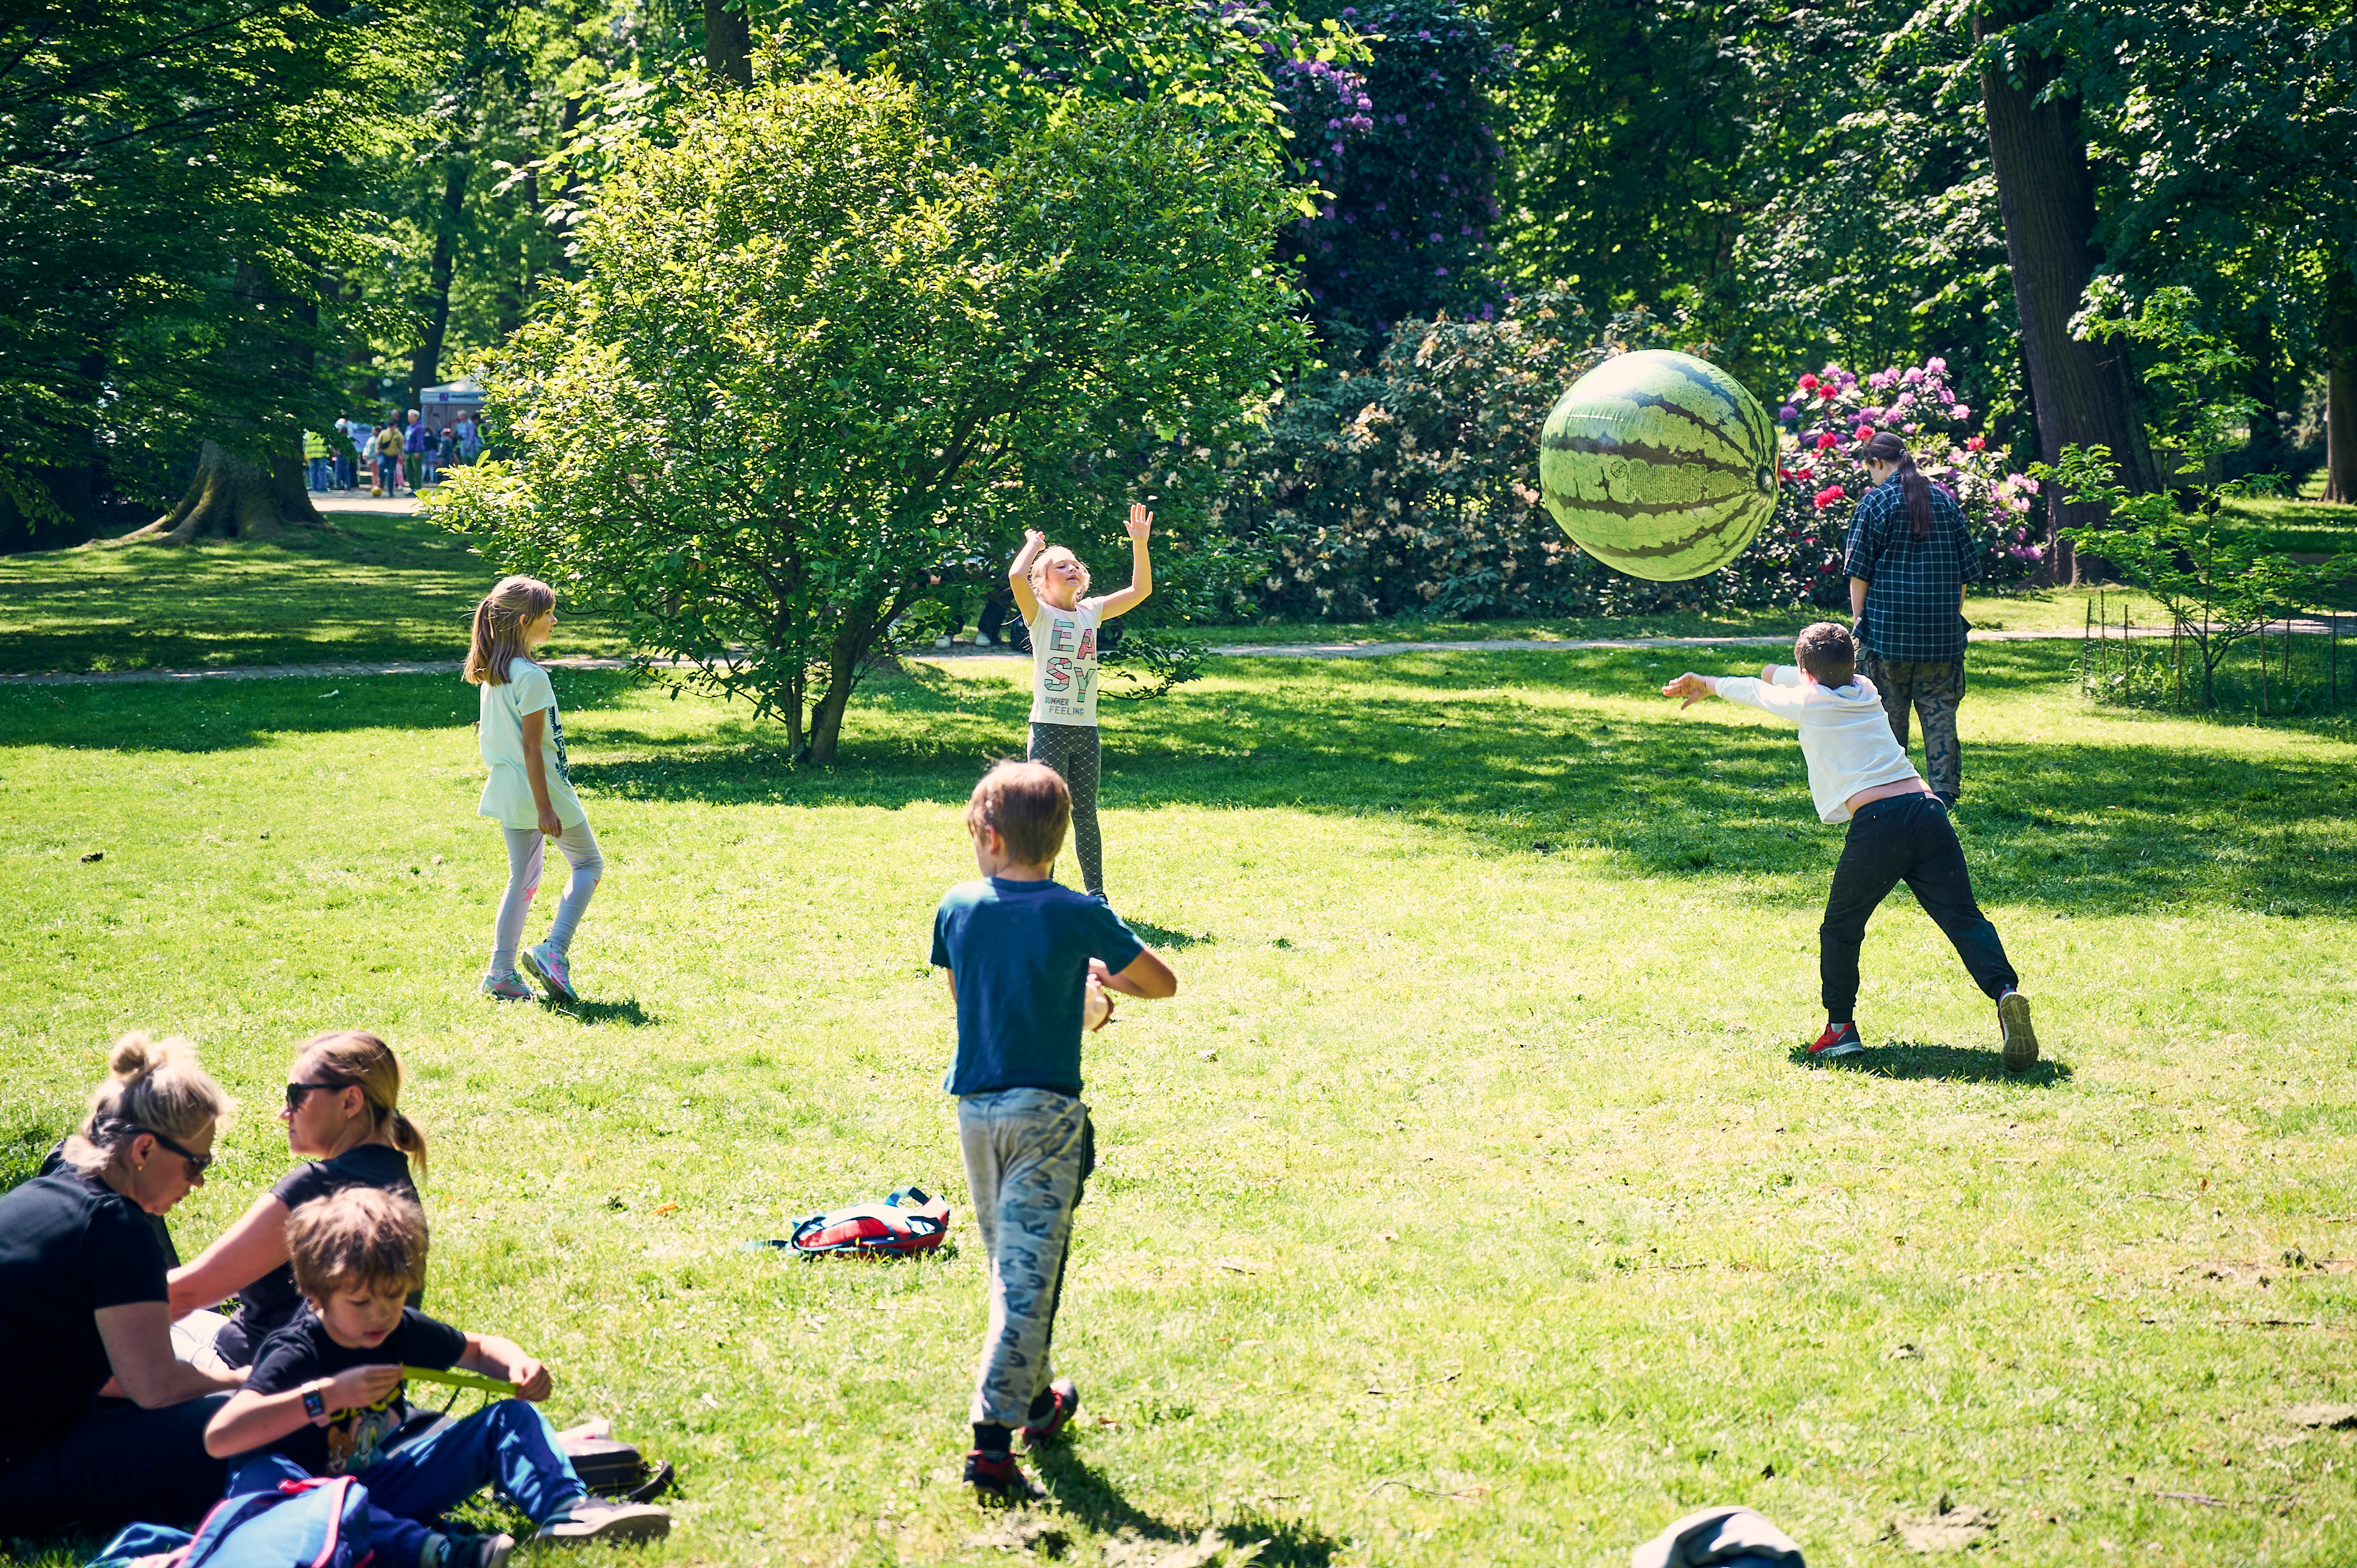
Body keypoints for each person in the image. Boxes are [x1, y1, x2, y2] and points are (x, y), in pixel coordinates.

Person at [931, 761, 1178, 1499]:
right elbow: (1161, 982)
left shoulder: (957, 906)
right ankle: (989, 1444)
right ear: (1060, 841)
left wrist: (1074, 979)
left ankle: (1039, 1405)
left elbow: (968, 998)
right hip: (1046, 1119)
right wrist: (1098, 981)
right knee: (1023, 1282)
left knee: (1017, 1270)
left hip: (976, 1113)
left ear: (990, 835)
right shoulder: (1077, 912)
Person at [206, 1188, 668, 1568]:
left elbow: (478, 1348)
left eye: (393, 1295)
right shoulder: (298, 1350)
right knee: (328, 1495)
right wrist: (323, 1397)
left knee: (507, 1417)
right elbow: (222, 1437)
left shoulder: (394, 1326)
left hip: (376, 1483)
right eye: (362, 1301)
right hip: (296, 1508)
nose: (381, 1313)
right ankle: (440, 1552)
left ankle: (569, 1511)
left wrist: (517, 1365)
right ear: (316, 1293)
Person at [1662, 622, 2039, 1072]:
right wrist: (1774, 671)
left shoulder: (1810, 701)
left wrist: (1709, 683)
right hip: (1928, 809)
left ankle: (1840, 1030)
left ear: (1806, 671)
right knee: (1963, 917)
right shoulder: (1865, 687)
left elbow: (1756, 692)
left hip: (1881, 824)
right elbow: (1794, 680)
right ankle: (2004, 993)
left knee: (1841, 928)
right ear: (1852, 663)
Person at [0, 1034, 245, 1537]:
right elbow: (154, 1387)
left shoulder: (46, 1190)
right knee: (246, 1417)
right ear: (145, 1148)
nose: (198, 1182)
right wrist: (245, 1381)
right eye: (197, 1163)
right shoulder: (116, 1225)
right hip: (18, 1474)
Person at [170, 1031, 427, 1367]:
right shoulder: (395, 1179)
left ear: (350, 1102)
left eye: (296, 1095)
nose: (284, 1112)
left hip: (255, 1380)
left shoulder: (316, 1188)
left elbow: (190, 1292)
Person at [1006, 504, 1156, 901]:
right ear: (1043, 580)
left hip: (1086, 730)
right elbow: (1015, 576)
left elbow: (1141, 591)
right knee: (1046, 816)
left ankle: (1097, 896)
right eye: (1060, 566)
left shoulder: (1092, 611)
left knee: (1085, 813)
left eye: (1075, 565)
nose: (1071, 569)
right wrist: (1033, 545)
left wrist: (1139, 545)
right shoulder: (1039, 615)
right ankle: (1041, 894)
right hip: (1049, 729)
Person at [466, 575, 602, 1004]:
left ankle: (500, 972)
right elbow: (531, 747)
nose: (555, 621)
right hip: (541, 791)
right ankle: (553, 951)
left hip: (508, 790)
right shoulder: (531, 677)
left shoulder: (494, 674)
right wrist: (545, 808)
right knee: (589, 865)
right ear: (526, 620)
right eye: (548, 615)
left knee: (522, 879)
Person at [1846, 430, 1980, 807]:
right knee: (1940, 714)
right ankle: (1945, 792)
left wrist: (1860, 623)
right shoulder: (1944, 502)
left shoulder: (1874, 505)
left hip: (1888, 635)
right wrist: (1949, 615)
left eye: (1868, 468)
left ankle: (1893, 790)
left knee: (1888, 716)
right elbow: (1966, 573)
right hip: (1941, 637)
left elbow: (1859, 574)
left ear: (1877, 463)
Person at [375, 421, 405, 497]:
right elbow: (378, 443)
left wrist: (402, 455)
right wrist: (377, 449)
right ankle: (381, 482)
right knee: (381, 465)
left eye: (392, 425)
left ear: (395, 425)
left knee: (391, 473)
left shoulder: (398, 435)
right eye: (390, 425)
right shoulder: (383, 433)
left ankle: (390, 491)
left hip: (393, 456)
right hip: (384, 454)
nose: (391, 427)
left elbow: (401, 446)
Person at [403, 410, 427, 493]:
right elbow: (407, 440)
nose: (410, 418)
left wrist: (418, 451)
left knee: (417, 470)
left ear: (416, 417)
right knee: (408, 470)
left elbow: (420, 440)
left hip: (417, 451)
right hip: (408, 452)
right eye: (409, 417)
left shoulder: (419, 428)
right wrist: (404, 451)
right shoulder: (408, 427)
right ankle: (412, 488)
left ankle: (418, 489)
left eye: (411, 417)